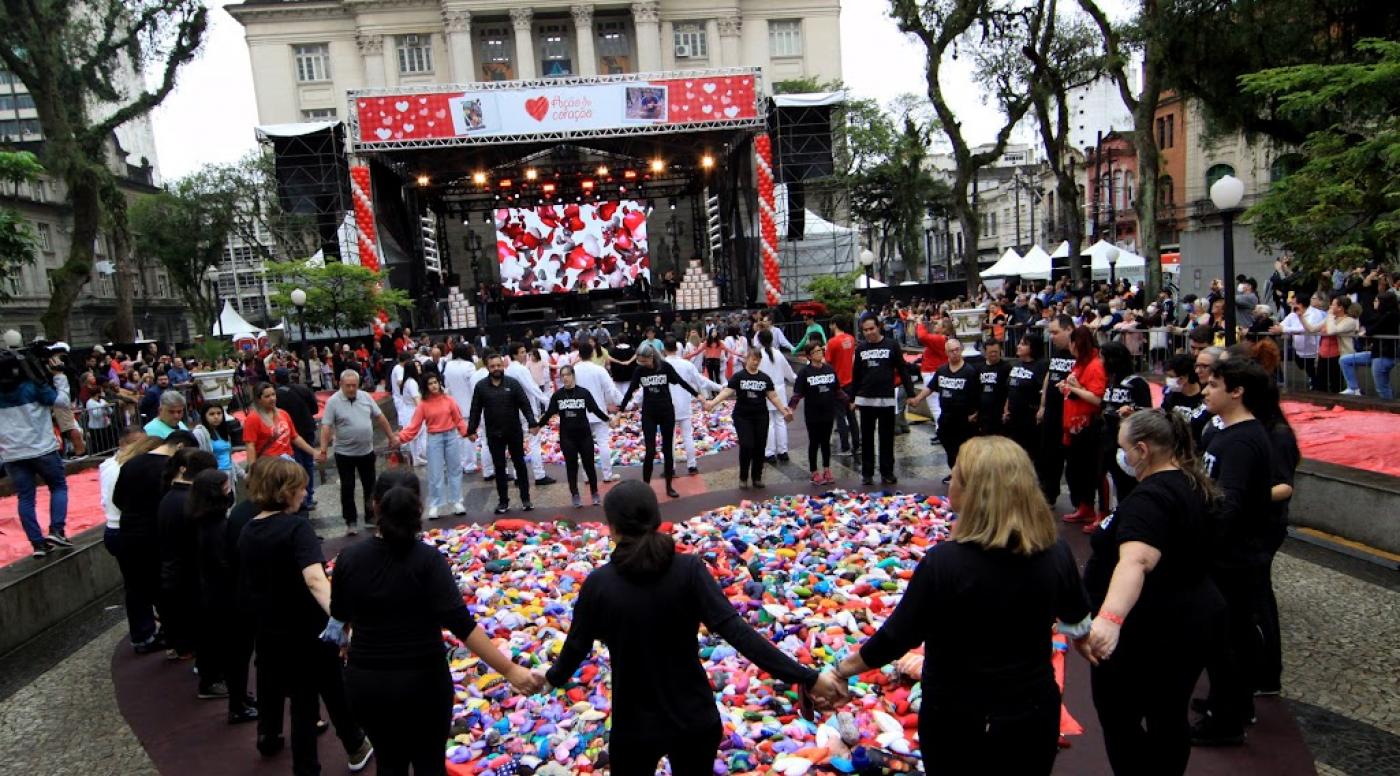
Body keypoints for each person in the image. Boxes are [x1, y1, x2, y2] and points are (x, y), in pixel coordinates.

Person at [827, 436, 1091, 774]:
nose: (951, 482)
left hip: (956, 716)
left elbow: (896, 638)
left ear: (974, 494)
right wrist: (1088, 637)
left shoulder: (944, 563)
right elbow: (1076, 617)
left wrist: (840, 671)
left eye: (956, 477)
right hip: (1032, 712)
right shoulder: (1055, 552)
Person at [541, 480, 843, 774]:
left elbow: (575, 649)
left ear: (613, 528)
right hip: (694, 718)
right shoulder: (689, 571)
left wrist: (547, 680)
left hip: (634, 725)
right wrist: (807, 677)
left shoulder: (599, 585)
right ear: (657, 518)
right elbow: (738, 633)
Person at [330, 471, 542, 776]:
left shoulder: (350, 559)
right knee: (430, 764)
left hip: (368, 683)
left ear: (375, 506)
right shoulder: (427, 561)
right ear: (419, 508)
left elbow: (340, 618)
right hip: (423, 684)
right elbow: (461, 625)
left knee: (389, 763)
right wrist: (510, 670)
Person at [1080, 410, 1226, 775]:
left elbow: (1137, 559)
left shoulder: (1152, 498)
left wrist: (1110, 619)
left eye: (1123, 448)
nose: (1121, 456)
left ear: (1142, 450)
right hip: (1188, 619)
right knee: (1168, 713)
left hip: (1151, 630)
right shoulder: (1191, 483)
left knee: (1124, 716)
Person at [238, 457, 373, 771]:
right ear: (287, 491)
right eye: (300, 487)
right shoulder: (296, 528)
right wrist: (341, 616)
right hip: (307, 628)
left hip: (271, 630)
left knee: (314, 693)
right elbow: (315, 579)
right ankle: (321, 759)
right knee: (310, 699)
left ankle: (351, 745)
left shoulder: (248, 530)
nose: (304, 492)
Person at [1192, 358, 1275, 746]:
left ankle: (1226, 719)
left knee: (1227, 639)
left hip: (1234, 557)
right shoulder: (1225, 433)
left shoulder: (1243, 440)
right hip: (1227, 554)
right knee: (1225, 637)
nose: (1205, 390)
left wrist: (1204, 543)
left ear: (1237, 391)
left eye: (1213, 385)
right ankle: (1229, 703)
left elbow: (1231, 503)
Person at [112, 430, 199, 652]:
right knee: (166, 588)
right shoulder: (167, 470)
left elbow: (118, 498)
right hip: (156, 536)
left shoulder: (131, 463)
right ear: (180, 448)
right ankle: (177, 639)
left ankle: (142, 637)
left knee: (135, 588)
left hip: (129, 534)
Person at [189, 467, 259, 723]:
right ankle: (238, 704)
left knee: (237, 654)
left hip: (220, 596)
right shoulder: (215, 527)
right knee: (237, 655)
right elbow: (225, 564)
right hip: (228, 600)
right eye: (226, 488)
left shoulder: (207, 522)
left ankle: (240, 697)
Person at [0, 352, 73, 558]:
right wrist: (59, 376)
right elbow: (62, 402)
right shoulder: (34, 388)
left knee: (25, 498)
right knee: (58, 486)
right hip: (42, 449)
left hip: (12, 454)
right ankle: (56, 530)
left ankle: (37, 543)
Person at [157, 447, 221, 682]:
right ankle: (207, 673)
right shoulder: (190, 504)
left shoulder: (170, 497)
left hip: (176, 571)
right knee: (204, 626)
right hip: (191, 575)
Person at [320, 370, 398, 534]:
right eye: (348, 386)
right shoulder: (333, 402)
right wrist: (323, 449)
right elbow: (326, 426)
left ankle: (371, 516)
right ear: (340, 385)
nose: (351, 389)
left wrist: (391, 436)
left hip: (366, 451)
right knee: (347, 487)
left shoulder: (365, 397)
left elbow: (380, 417)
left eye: (354, 385)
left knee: (370, 485)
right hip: (344, 453)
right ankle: (351, 521)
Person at [620, 345, 698, 498]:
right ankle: (646, 488)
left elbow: (682, 382)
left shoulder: (665, 367)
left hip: (666, 411)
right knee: (650, 451)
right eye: (640, 361)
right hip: (649, 413)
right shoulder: (640, 371)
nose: (642, 364)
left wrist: (698, 396)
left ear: (651, 357)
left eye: (644, 361)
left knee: (668, 450)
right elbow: (630, 391)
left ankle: (669, 486)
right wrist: (619, 412)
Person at [706, 349, 791, 488]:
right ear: (747, 359)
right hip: (742, 416)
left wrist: (783, 410)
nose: (755, 362)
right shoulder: (739, 376)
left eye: (758, 360)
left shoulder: (764, 378)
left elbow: (773, 396)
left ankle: (757, 477)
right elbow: (727, 391)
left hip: (761, 416)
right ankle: (743, 477)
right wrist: (712, 403)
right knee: (747, 445)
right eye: (753, 359)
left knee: (759, 446)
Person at [851, 315, 920, 486]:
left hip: (887, 399)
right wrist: (852, 398)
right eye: (865, 330)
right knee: (866, 438)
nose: (869, 333)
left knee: (886, 438)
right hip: (866, 400)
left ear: (879, 327)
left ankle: (887, 472)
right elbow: (856, 375)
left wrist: (911, 393)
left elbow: (903, 370)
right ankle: (867, 473)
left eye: (871, 329)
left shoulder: (891, 345)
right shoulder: (860, 349)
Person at [468, 352, 539, 514]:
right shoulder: (481, 387)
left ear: (503, 366)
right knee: (499, 469)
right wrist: (471, 430)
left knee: (520, 465)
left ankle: (526, 499)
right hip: (494, 434)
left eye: (499, 365)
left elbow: (525, 405)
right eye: (492, 366)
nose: (496, 369)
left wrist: (532, 422)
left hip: (514, 431)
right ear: (487, 367)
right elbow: (475, 410)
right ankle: (503, 502)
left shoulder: (513, 384)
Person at [397, 372, 469, 519]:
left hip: (451, 436)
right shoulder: (423, 405)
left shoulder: (449, 400)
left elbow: (459, 419)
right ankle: (436, 504)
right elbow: (414, 426)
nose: (434, 385)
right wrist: (401, 437)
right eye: (430, 383)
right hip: (434, 438)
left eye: (435, 382)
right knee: (435, 473)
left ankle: (457, 501)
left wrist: (468, 433)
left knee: (455, 469)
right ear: (426, 386)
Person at [538, 365, 613, 507]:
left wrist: (608, 420)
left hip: (584, 435)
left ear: (573, 376)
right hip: (567, 437)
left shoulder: (583, 393)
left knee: (589, 464)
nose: (565, 378)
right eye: (562, 376)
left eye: (567, 375)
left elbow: (596, 410)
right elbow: (548, 414)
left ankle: (594, 492)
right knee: (571, 466)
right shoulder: (558, 395)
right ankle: (575, 494)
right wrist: (537, 426)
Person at [1097, 341, 1152, 526]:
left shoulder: (1136, 382)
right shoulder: (1109, 381)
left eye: (1103, 357)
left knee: (1126, 481)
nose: (1100, 361)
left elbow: (1147, 410)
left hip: (1127, 441)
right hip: (1106, 437)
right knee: (1105, 477)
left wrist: (1131, 410)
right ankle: (1109, 513)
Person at [1058, 326, 1108, 526]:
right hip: (1073, 425)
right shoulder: (1080, 364)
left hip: (1088, 427)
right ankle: (1084, 506)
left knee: (1090, 471)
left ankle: (1097, 510)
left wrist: (1075, 388)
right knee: (1076, 470)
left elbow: (1097, 398)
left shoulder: (1095, 366)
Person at [912, 339, 979, 483]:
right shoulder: (942, 370)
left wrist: (975, 413)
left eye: (957, 350)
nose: (954, 353)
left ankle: (965, 475)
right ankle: (955, 471)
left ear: (961, 350)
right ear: (946, 353)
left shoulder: (969, 371)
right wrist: (918, 399)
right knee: (949, 447)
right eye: (951, 351)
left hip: (963, 418)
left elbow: (977, 395)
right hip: (946, 417)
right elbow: (931, 387)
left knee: (964, 449)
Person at [789, 342, 846, 485]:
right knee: (814, 443)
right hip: (813, 414)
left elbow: (837, 390)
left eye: (820, 350)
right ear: (809, 356)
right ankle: (814, 472)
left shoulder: (829, 370)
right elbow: (797, 394)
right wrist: (790, 409)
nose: (819, 353)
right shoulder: (804, 373)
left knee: (826, 442)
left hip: (828, 412)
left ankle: (827, 469)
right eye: (815, 352)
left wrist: (850, 401)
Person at [663, 339, 722, 475]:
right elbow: (701, 381)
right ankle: (692, 465)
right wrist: (719, 387)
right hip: (684, 404)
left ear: (665, 349)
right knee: (687, 436)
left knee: (669, 438)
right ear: (677, 349)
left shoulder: (661, 365)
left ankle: (670, 468)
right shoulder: (686, 365)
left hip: (667, 406)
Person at [1035, 315, 1077, 504]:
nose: (1051, 337)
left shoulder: (1080, 353)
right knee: (1047, 455)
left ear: (1069, 329)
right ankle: (1048, 493)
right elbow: (1049, 376)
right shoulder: (1057, 352)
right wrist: (1043, 404)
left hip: (1070, 413)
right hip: (1051, 411)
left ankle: (1079, 502)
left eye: (1055, 332)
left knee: (1070, 461)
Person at [573, 342, 623, 484]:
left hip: (580, 412)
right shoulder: (599, 370)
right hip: (599, 411)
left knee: (583, 445)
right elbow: (611, 390)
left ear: (579, 354)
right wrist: (624, 403)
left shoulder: (574, 370)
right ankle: (607, 474)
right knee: (603, 443)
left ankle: (587, 476)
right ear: (592, 354)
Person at [243, 382, 320, 472]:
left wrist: (313, 452)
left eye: (273, 394)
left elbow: (294, 437)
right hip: (269, 465)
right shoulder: (253, 419)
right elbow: (250, 446)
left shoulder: (283, 414)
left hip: (288, 461)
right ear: (258, 399)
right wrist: (252, 470)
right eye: (267, 396)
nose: (272, 398)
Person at [507, 342, 554, 485]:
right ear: (514, 354)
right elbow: (532, 387)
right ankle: (539, 474)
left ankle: (517, 474)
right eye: (521, 352)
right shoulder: (521, 370)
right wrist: (547, 401)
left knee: (517, 444)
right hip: (527, 410)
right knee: (534, 441)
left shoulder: (509, 370)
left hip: (515, 410)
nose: (524, 355)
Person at [275, 368, 321, 512]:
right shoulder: (302, 389)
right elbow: (315, 408)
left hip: (289, 433)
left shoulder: (275, 396)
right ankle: (308, 497)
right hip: (306, 429)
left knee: (297, 465)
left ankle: (299, 497)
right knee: (307, 464)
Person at [1342, 290, 1399, 397]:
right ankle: (1354, 388)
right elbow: (1371, 326)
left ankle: (1389, 410)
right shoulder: (1382, 315)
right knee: (1345, 360)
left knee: (1382, 388)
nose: (1374, 303)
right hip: (1376, 353)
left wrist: (1366, 332)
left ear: (1384, 302)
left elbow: (1372, 330)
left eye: (1376, 301)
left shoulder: (1390, 315)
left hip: (1384, 355)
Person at [754, 330, 796, 464]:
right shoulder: (778, 354)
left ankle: (769, 453)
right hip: (780, 393)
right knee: (780, 422)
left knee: (769, 424)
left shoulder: (758, 356)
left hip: (764, 393)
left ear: (759, 340)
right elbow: (789, 374)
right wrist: (798, 380)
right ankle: (783, 451)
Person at [1005, 334, 1047, 458]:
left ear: (1033, 347)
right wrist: (1006, 407)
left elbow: (1043, 390)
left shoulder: (1041, 365)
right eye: (1019, 343)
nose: (1019, 346)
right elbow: (1010, 388)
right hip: (1013, 416)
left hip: (1030, 416)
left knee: (1031, 453)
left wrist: (1041, 408)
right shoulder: (1016, 364)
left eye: (1023, 344)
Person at [827, 315, 861, 456]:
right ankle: (857, 445)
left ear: (834, 324)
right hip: (851, 382)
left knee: (840, 416)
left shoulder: (832, 342)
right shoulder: (851, 339)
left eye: (830, 324)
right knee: (851, 415)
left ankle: (845, 447)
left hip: (838, 383)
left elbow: (828, 361)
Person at [194, 404, 242, 495]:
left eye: (219, 413)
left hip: (229, 475)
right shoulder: (199, 433)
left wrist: (243, 474)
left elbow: (229, 458)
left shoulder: (222, 431)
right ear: (204, 416)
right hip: (214, 477)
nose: (216, 417)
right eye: (211, 414)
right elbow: (200, 458)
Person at [914, 315, 951, 428]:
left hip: (932, 373)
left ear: (944, 329)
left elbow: (922, 337)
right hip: (935, 372)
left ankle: (941, 430)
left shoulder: (940, 339)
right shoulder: (944, 339)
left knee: (935, 405)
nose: (935, 325)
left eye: (938, 324)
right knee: (938, 405)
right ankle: (940, 428)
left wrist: (920, 323)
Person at [976, 340, 1012, 436]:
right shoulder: (980, 368)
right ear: (985, 352)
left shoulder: (1006, 367)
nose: (993, 354)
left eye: (996, 352)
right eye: (990, 352)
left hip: (999, 412)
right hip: (984, 414)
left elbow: (1010, 390)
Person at [1161, 354, 1204, 421]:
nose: (1167, 380)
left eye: (1171, 376)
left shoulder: (1204, 395)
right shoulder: (1169, 392)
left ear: (1184, 378)